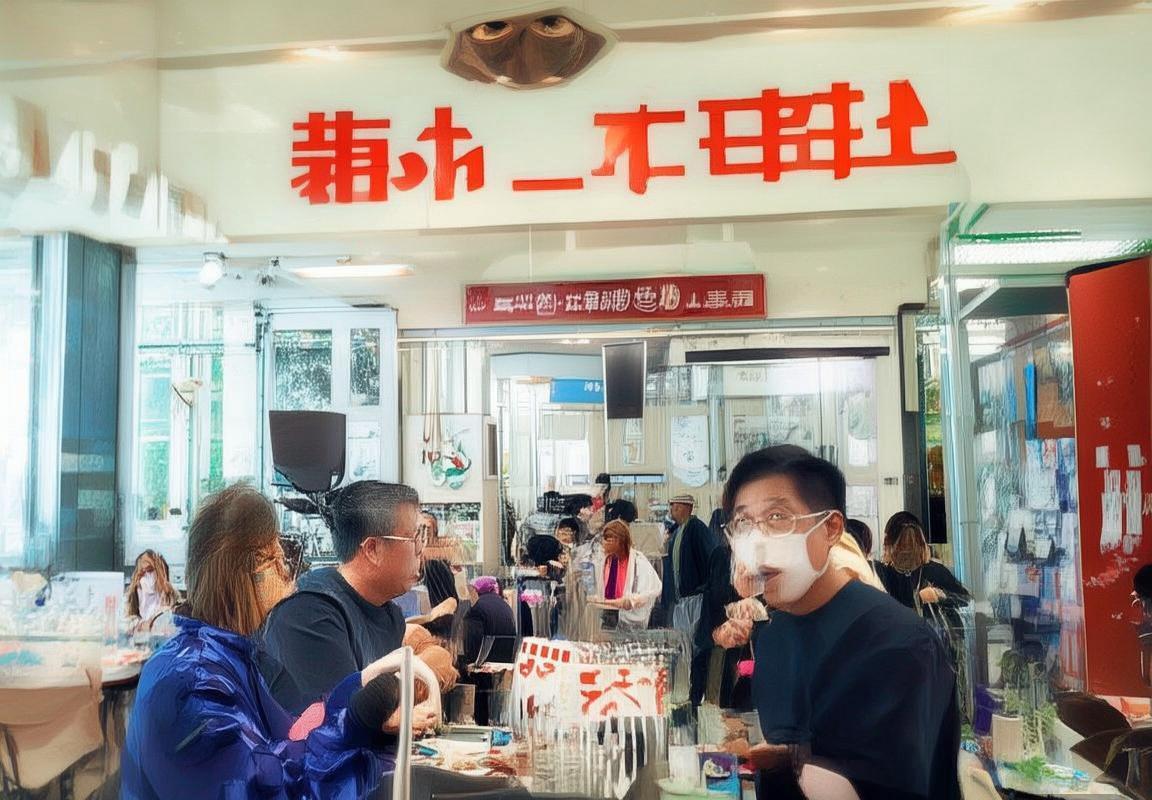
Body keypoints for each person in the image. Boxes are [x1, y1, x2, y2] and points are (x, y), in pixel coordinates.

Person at [122, 484, 437, 800]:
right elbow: (262, 789)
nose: (285, 569)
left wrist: (350, 706)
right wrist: (354, 723)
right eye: (275, 556)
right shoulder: (191, 682)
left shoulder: (236, 659)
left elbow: (292, 740)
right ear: (245, 571)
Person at [725, 446, 959, 800]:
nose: (757, 544)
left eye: (777, 517)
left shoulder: (900, 645)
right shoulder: (774, 639)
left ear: (831, 528)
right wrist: (787, 759)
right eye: (744, 523)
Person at [260, 480, 449, 715]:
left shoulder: (389, 615)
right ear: (372, 549)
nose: (421, 551)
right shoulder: (307, 615)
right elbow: (336, 721)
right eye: (414, 538)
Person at [876, 512, 970, 633]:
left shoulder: (935, 571)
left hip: (932, 637)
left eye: (911, 545)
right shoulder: (882, 574)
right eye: (902, 546)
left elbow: (965, 599)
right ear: (889, 545)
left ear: (921, 544)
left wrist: (940, 595)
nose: (907, 551)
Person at [661, 493, 718, 636]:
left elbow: (712, 557)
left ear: (688, 508)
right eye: (672, 507)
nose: (672, 510)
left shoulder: (697, 528)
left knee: (693, 638)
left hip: (695, 599)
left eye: (676, 507)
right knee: (682, 639)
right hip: (681, 600)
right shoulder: (677, 531)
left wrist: (704, 587)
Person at [591, 519, 662, 631]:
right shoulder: (605, 560)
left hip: (631, 622)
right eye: (605, 540)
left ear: (620, 541)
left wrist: (631, 601)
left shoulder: (638, 561)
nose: (605, 544)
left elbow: (651, 591)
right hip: (606, 618)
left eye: (609, 540)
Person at [125, 549, 180, 633]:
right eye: (141, 573)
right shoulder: (132, 600)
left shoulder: (175, 611)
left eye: (150, 570)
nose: (145, 577)